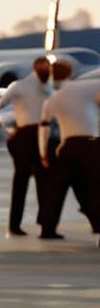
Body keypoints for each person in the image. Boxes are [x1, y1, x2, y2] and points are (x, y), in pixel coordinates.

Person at [39, 61, 100, 239]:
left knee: (55, 191)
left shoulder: (51, 100)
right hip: (89, 145)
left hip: (66, 147)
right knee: (94, 188)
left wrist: (43, 154)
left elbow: (44, 128)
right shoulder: (87, 87)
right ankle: (98, 224)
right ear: (70, 72)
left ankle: (47, 229)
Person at [0, 56, 54, 236]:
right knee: (40, 182)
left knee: (29, 183)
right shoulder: (24, 87)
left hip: (31, 135)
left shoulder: (44, 88)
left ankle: (24, 224)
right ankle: (42, 224)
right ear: (37, 68)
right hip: (32, 136)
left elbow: (0, 106)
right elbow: (1, 105)